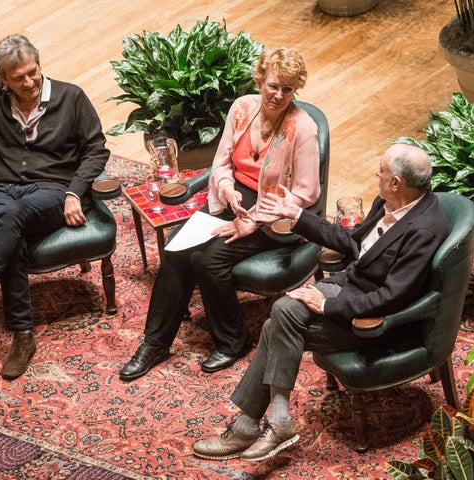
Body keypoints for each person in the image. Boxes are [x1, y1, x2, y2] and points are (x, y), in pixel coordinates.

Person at [192, 143, 449, 461]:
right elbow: (351, 243)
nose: (376, 174)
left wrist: (327, 306)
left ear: (396, 182)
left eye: (381, 170)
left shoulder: (424, 228)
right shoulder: (390, 201)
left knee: (278, 322)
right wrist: (296, 215)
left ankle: (251, 425)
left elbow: (392, 297)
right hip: (349, 287)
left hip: (376, 321)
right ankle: (275, 421)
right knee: (284, 310)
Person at [119, 47, 321, 381]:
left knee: (208, 258)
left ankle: (233, 341)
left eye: (287, 88)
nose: (279, 95)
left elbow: (306, 192)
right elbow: (221, 162)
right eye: (273, 85)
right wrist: (226, 188)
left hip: (276, 214)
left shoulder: (304, 128)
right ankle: (155, 343)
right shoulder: (242, 109)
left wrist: (253, 220)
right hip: (233, 198)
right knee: (177, 247)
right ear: (260, 79)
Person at [0, 34, 110, 380]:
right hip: (4, 189)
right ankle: (22, 337)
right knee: (10, 235)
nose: (29, 82)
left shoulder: (71, 97)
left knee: (10, 219)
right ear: (4, 80)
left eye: (33, 72)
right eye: (19, 78)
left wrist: (75, 192)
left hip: (53, 189)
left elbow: (97, 150)